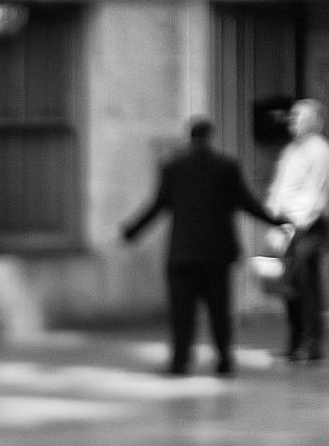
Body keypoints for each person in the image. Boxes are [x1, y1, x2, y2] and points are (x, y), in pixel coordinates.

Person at [121, 116, 287, 378]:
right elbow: (247, 203)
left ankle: (180, 361)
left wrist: (132, 231)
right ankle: (223, 360)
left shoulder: (173, 166)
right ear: (210, 136)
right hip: (217, 253)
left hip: (183, 253)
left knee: (181, 311)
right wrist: (277, 221)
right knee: (219, 309)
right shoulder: (226, 166)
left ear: (189, 136)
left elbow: (158, 205)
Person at [264, 99, 329, 363]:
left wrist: (295, 229)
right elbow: (280, 190)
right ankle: (295, 341)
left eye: (299, 116)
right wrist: (275, 226)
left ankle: (311, 343)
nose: (292, 120)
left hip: (307, 227)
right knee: (290, 287)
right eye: (293, 115)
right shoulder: (292, 151)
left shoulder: (321, 152)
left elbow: (316, 197)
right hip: (288, 226)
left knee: (307, 286)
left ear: (316, 122)